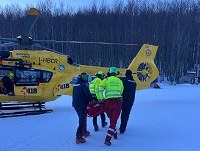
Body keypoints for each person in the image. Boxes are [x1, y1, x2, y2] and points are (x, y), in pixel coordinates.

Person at [99, 67, 124, 146]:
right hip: (117, 102)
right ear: (116, 73)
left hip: (108, 102)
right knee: (114, 120)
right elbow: (121, 90)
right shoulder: (119, 81)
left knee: (112, 119)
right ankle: (107, 139)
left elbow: (100, 89)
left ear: (109, 72)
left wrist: (101, 98)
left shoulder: (105, 80)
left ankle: (114, 133)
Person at [72, 72, 93, 144]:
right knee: (82, 120)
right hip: (82, 105)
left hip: (76, 104)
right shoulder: (84, 85)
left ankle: (84, 132)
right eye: (86, 77)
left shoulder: (76, 85)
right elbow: (88, 94)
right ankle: (78, 137)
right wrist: (91, 100)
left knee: (83, 118)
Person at [120, 69, 136, 134]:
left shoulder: (124, 81)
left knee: (120, 113)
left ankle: (115, 127)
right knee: (126, 114)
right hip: (131, 100)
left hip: (123, 99)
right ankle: (123, 128)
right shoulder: (134, 82)